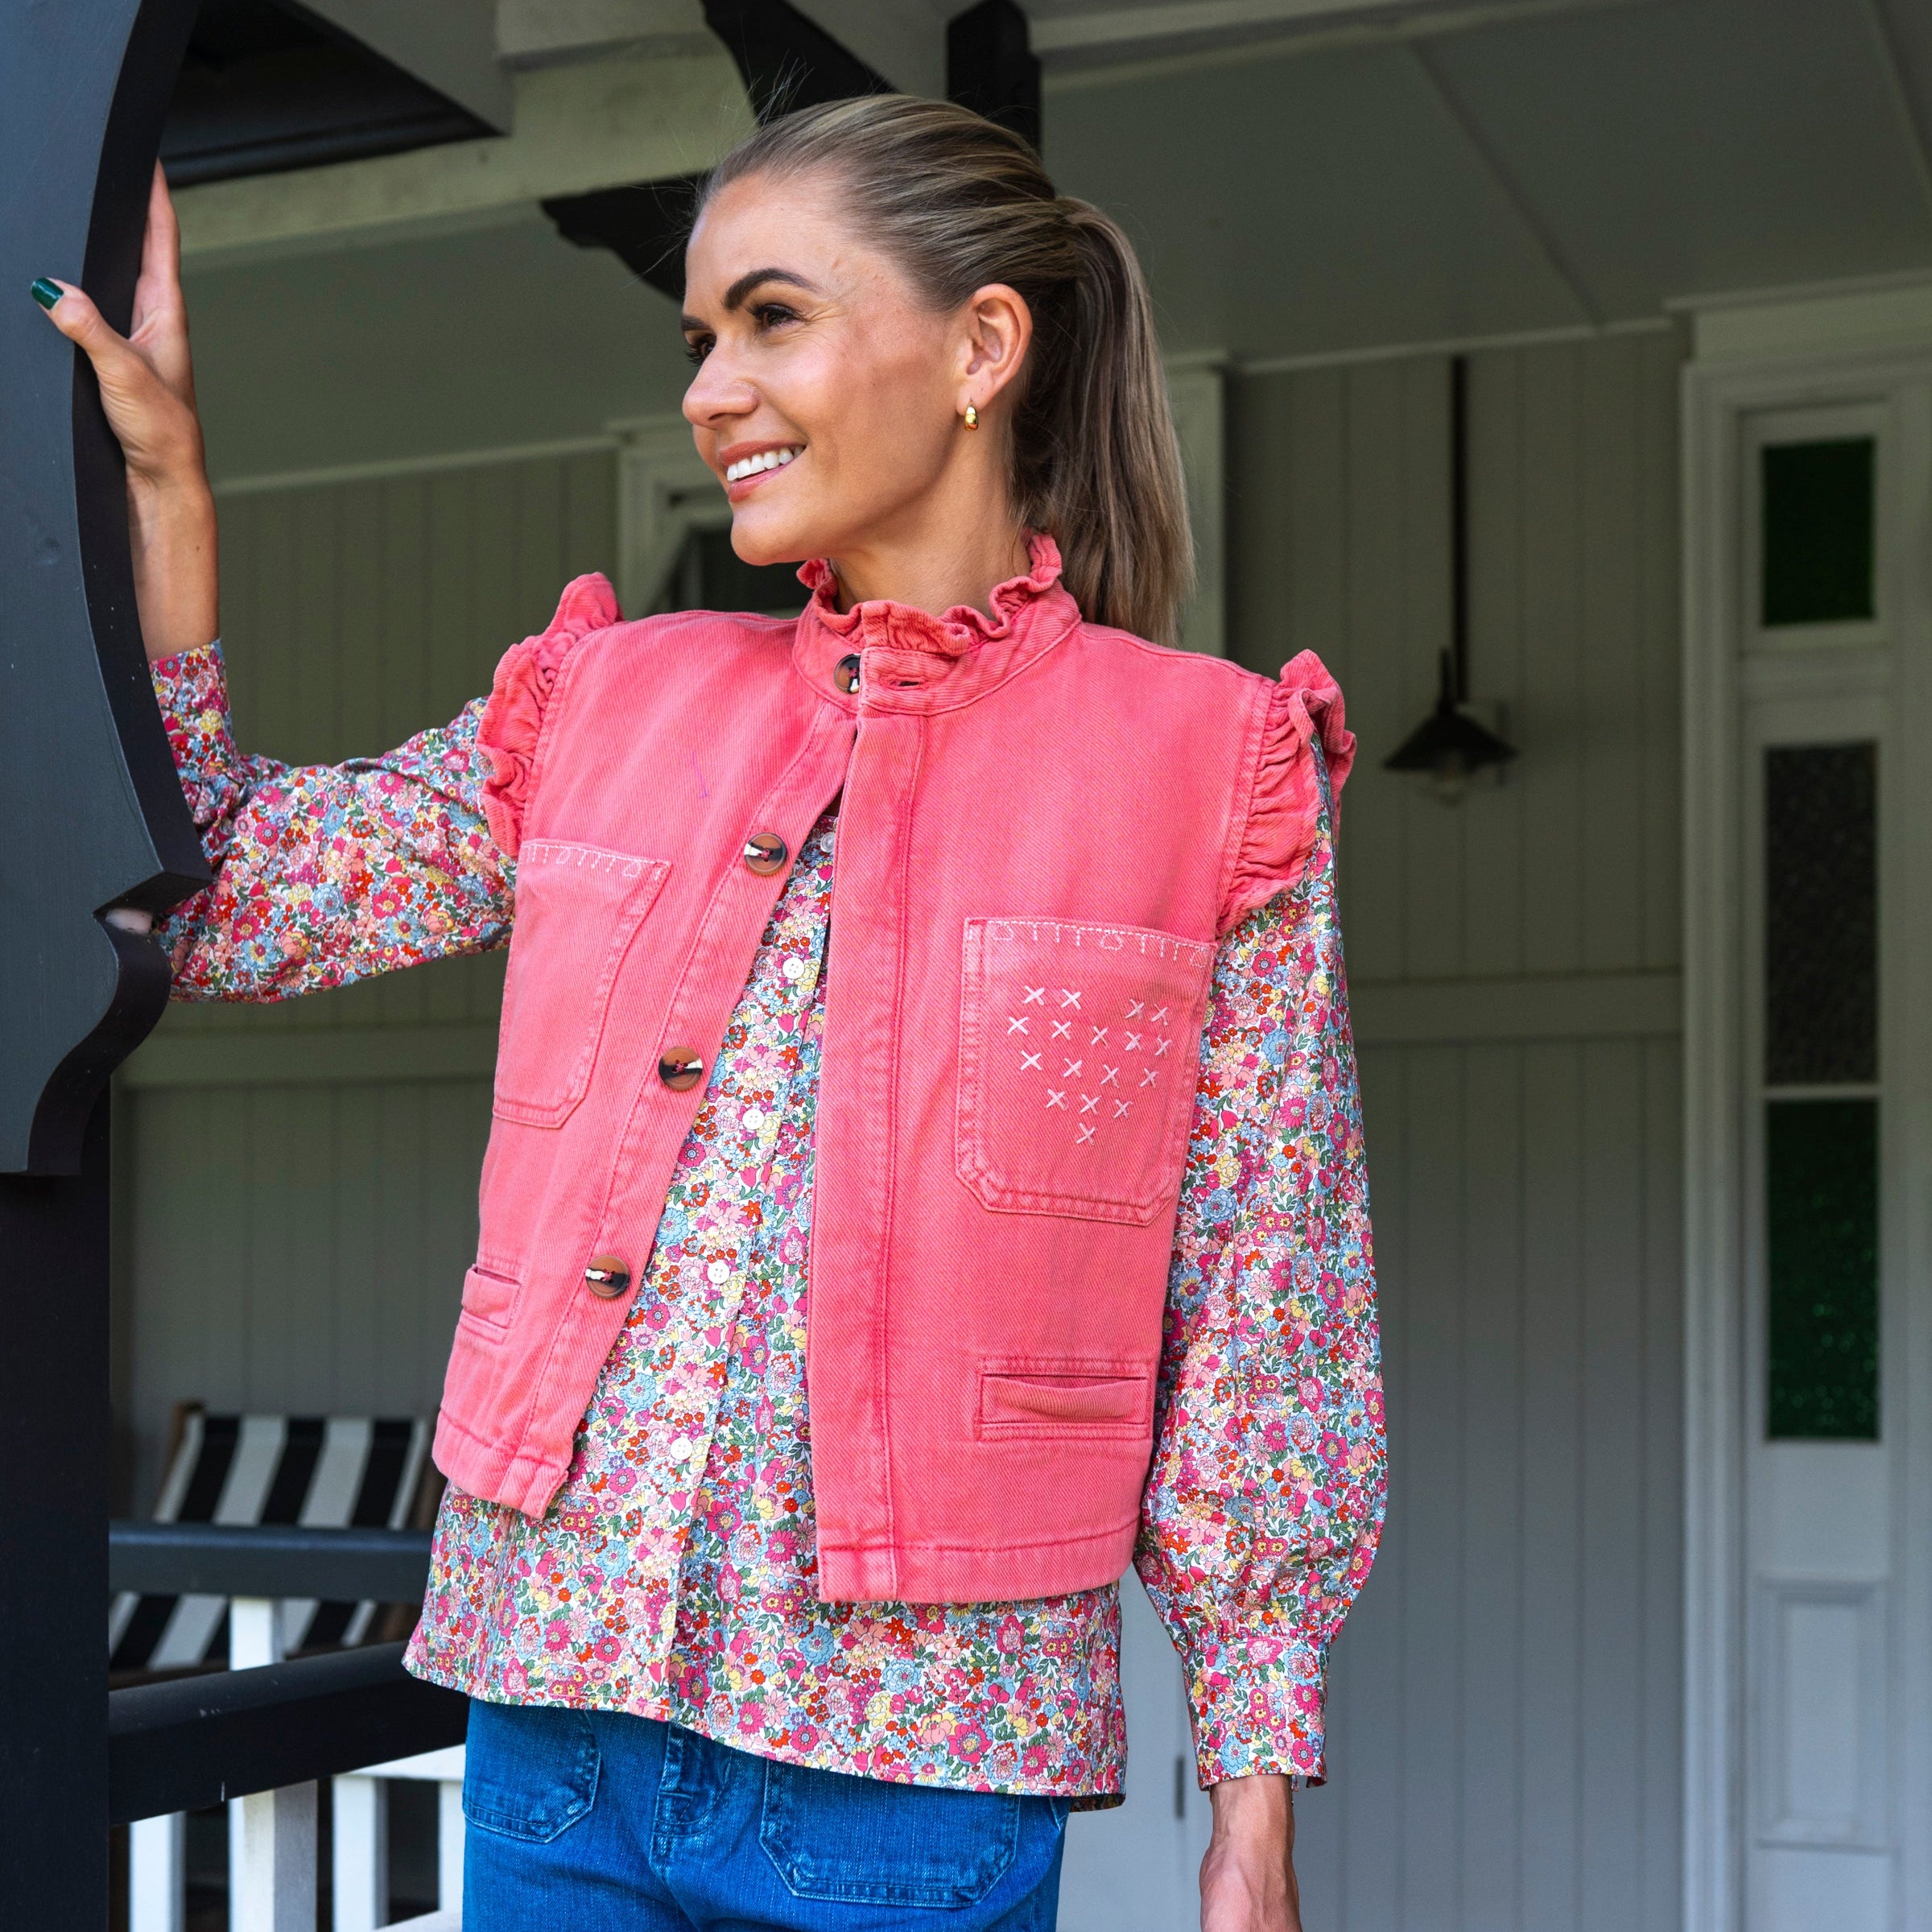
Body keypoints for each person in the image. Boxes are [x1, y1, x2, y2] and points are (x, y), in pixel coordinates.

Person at [38, 96, 1385, 1932]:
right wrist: (166, 501)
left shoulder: (1208, 767)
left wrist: (1252, 1805)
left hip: (917, 1763)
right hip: (553, 1728)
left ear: (985, 347)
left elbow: (1269, 1313)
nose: (710, 389)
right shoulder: (605, 701)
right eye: (697, 339)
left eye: (772, 319)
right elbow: (235, 901)